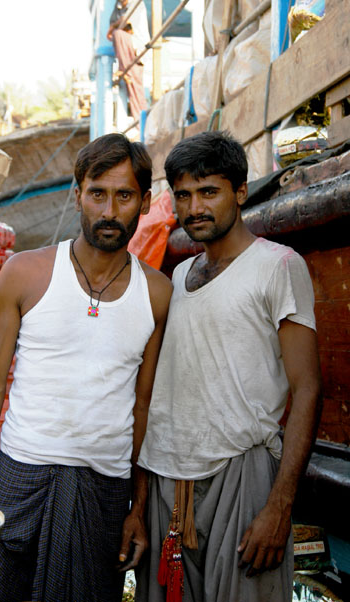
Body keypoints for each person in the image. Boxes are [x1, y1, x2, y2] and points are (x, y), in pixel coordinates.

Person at [0, 133, 172, 602]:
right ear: (76, 193)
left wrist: (137, 507)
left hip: (103, 487)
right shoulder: (26, 272)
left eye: (124, 196)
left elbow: (144, 405)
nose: (109, 210)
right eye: (97, 193)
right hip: (22, 472)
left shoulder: (156, 293)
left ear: (144, 201)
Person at [136, 131, 322, 602]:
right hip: (168, 479)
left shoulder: (277, 265)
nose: (194, 207)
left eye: (208, 192)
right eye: (182, 195)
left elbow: (307, 390)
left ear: (240, 192)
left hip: (241, 475)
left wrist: (280, 506)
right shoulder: (178, 276)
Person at [107, 0, 149, 123]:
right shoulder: (118, 6)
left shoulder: (137, 4)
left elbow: (126, 21)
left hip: (137, 52)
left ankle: (142, 124)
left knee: (137, 90)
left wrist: (113, 28)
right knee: (132, 91)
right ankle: (140, 123)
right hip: (126, 60)